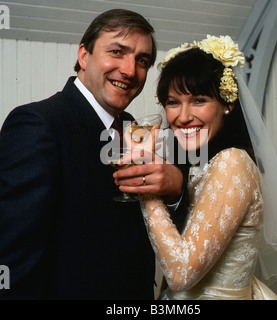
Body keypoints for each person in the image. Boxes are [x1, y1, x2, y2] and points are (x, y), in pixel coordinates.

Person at [0, 9, 185, 299]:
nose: (129, 70)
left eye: (142, 61)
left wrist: (176, 190)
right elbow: (13, 256)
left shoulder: (133, 128)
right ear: (84, 55)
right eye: (117, 51)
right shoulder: (38, 123)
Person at [114, 35, 277, 300]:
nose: (182, 117)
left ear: (227, 103)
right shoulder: (199, 164)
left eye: (199, 100)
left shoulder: (233, 162)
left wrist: (146, 186)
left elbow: (181, 274)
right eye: (173, 102)